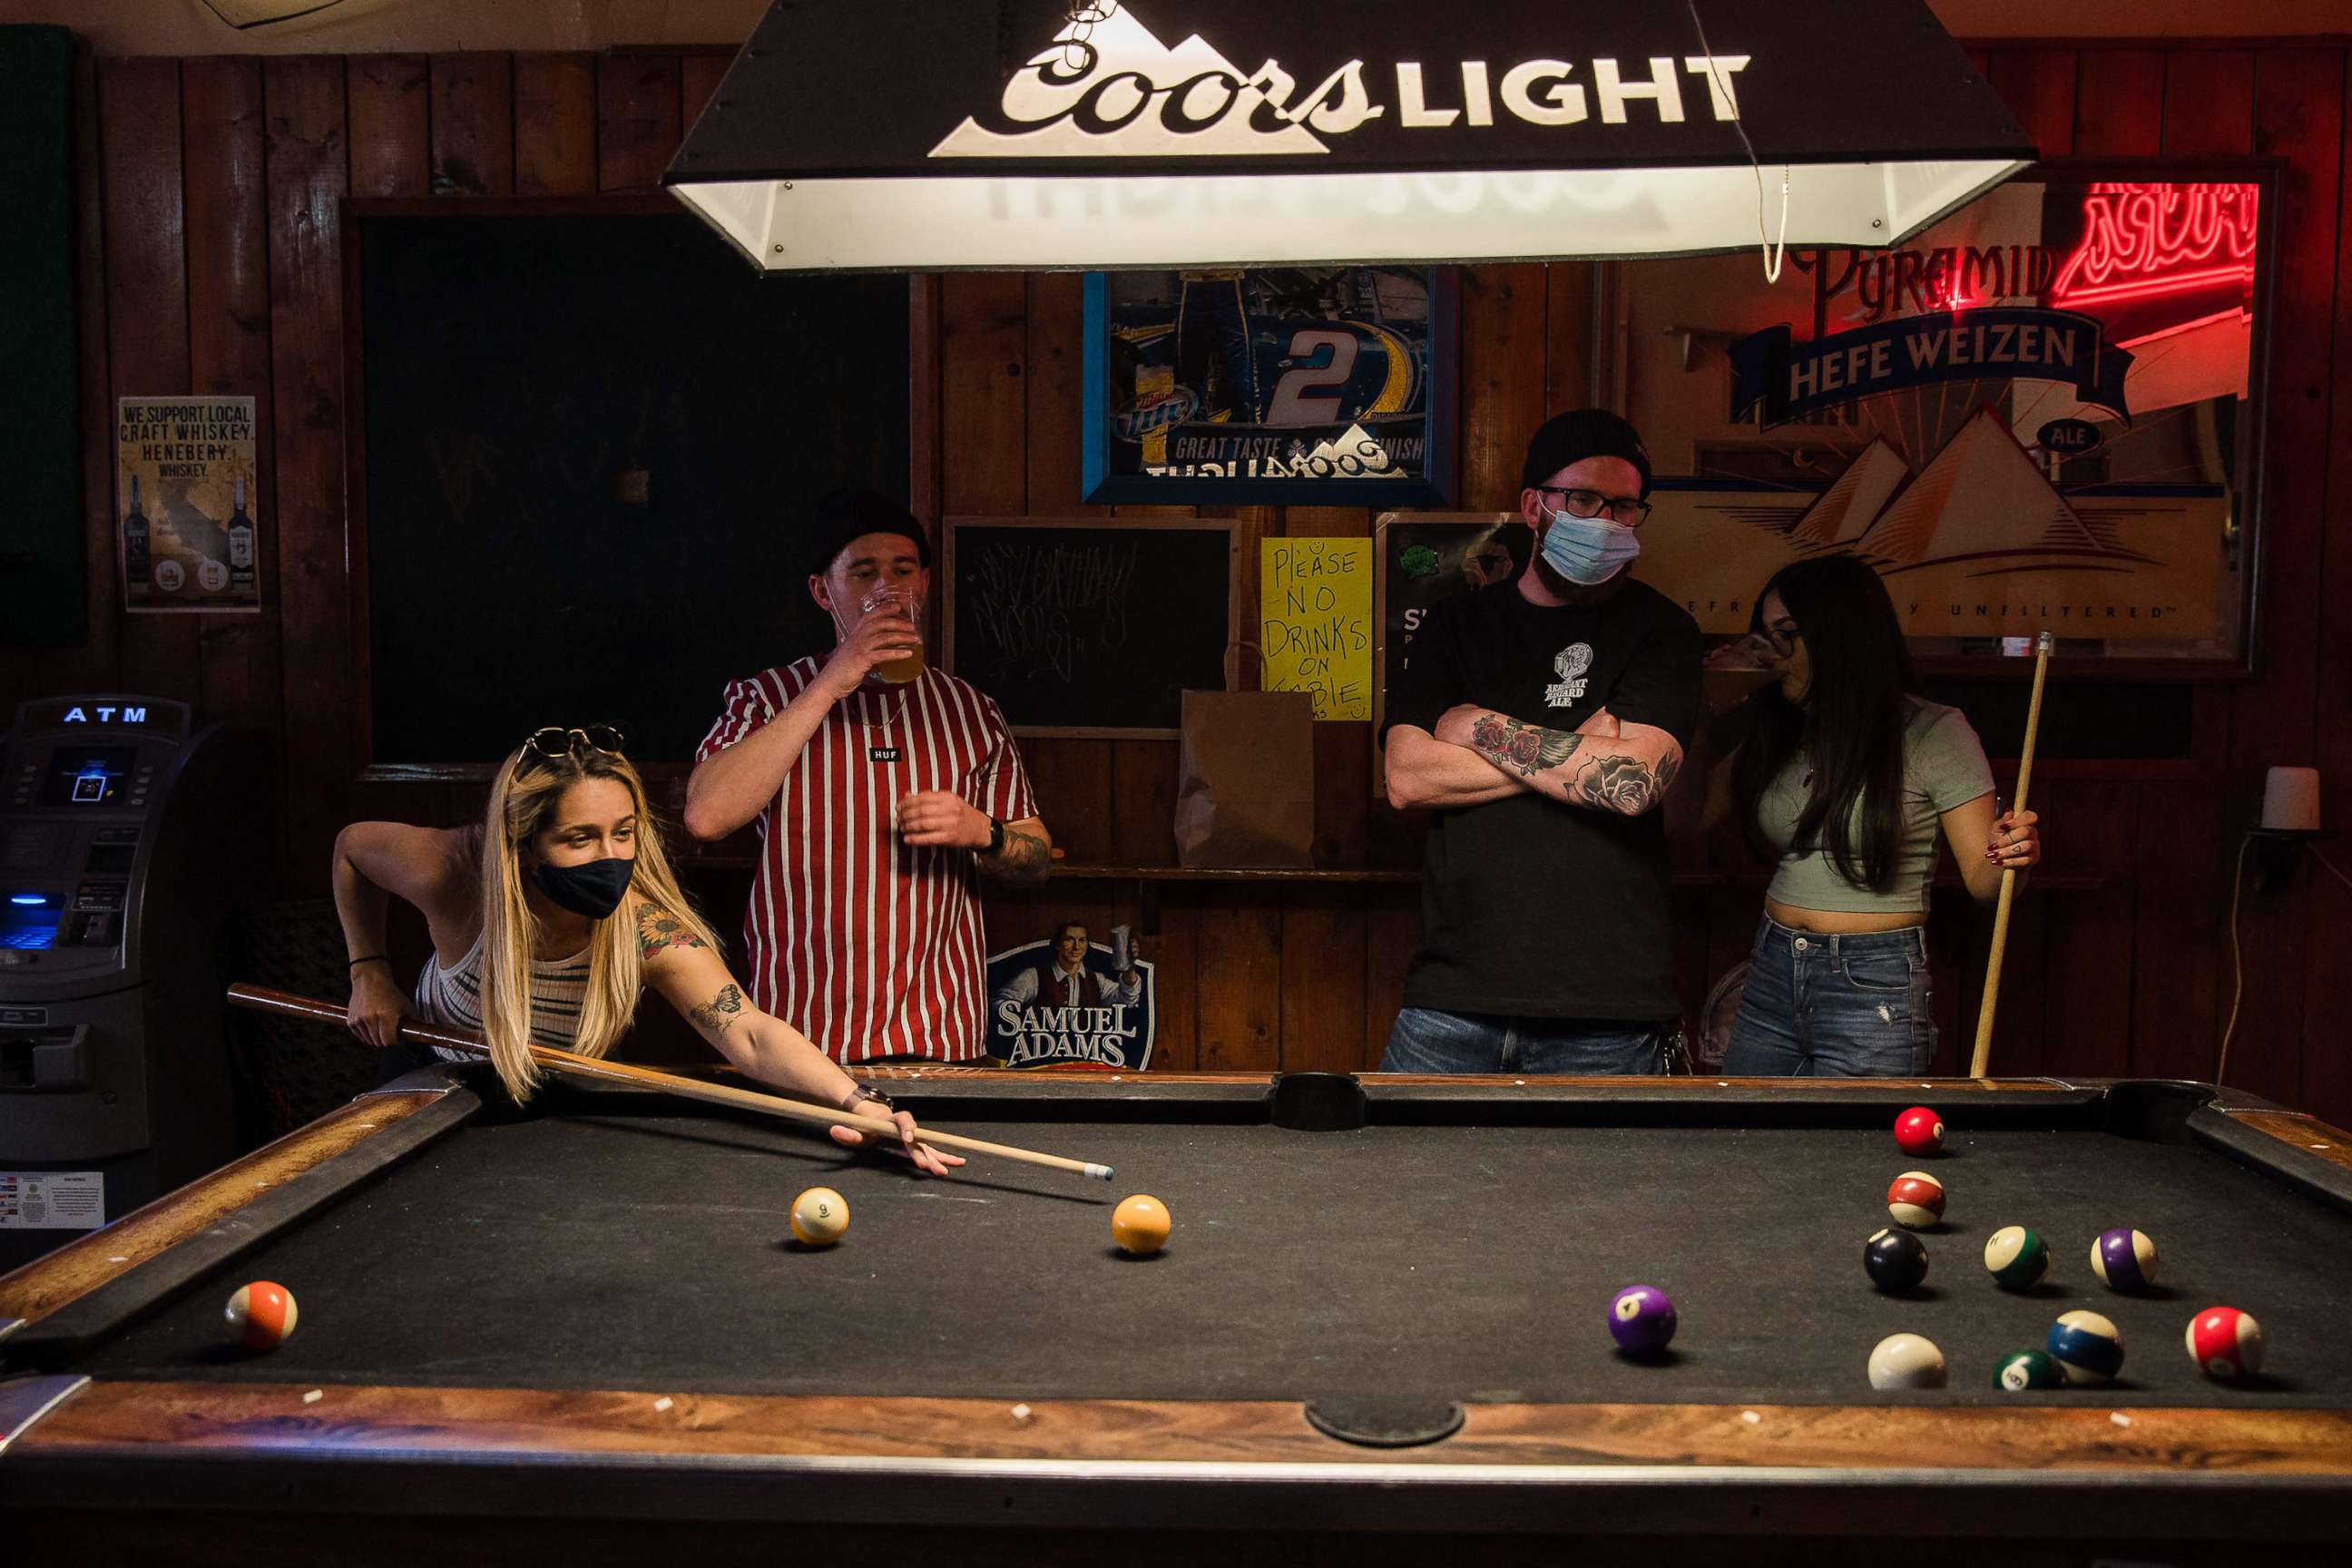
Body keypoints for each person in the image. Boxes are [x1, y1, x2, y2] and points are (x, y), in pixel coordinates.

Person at [334, 725, 958, 1174]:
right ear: (522, 846)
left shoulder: (642, 930)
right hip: (434, 1082)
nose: (611, 856)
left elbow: (749, 1033)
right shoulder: (452, 875)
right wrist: (369, 972)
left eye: (624, 832)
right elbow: (351, 848)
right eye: (580, 838)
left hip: (559, 1103)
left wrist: (861, 1101)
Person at [1379, 408, 1702, 1073]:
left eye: (1625, 506)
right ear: (1534, 505)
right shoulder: (1455, 625)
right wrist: (1580, 745)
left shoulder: (1662, 631)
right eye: (1584, 499)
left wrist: (1474, 726)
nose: (1607, 522)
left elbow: (1633, 783)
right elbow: (1408, 778)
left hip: (1608, 1011)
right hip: (1452, 1000)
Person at [684, 489, 1052, 1063]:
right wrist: (835, 678)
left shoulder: (971, 711)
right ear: (822, 591)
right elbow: (706, 818)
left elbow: (1036, 859)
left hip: (941, 1039)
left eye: (902, 571)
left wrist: (986, 831)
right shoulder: (766, 697)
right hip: (800, 1040)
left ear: (924, 584)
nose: (885, 589)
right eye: (862, 573)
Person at [1700, 556, 2043, 1076]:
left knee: (1857, 1155)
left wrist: (2011, 853)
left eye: (1789, 634)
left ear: (1842, 635)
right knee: (1750, 1144)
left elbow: (1985, 884)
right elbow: (1687, 816)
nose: (1773, 653)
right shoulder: (1776, 730)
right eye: (1766, 635)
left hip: (1872, 984)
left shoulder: (1935, 732)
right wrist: (1701, 705)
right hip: (1771, 969)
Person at [993, 921, 1143, 1011]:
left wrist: (1129, 968)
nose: (1076, 947)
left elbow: (1127, 999)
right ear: (1058, 945)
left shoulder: (1096, 980)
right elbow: (1000, 1003)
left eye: (1082, 940)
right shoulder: (1034, 976)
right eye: (1070, 939)